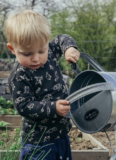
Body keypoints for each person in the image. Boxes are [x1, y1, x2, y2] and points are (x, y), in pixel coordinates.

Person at [6, 9, 80, 160]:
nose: (36, 58)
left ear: (47, 43)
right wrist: (53, 108)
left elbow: (62, 39)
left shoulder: (51, 52)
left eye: (41, 51)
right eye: (27, 54)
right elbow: (23, 105)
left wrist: (69, 48)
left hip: (61, 135)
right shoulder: (20, 75)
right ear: (13, 49)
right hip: (38, 143)